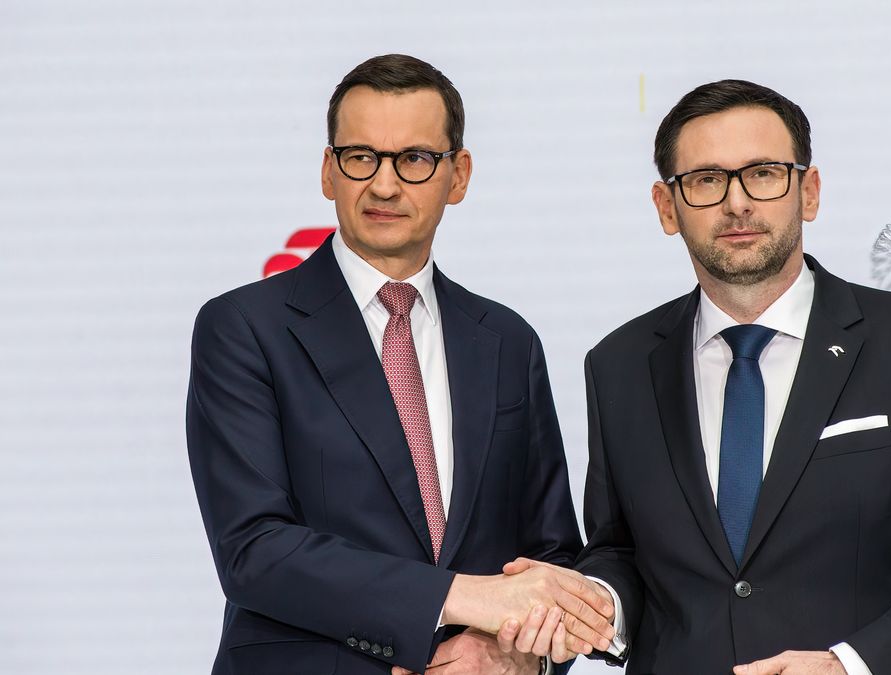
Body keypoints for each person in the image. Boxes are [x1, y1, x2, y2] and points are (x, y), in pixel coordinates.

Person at [506, 79, 891, 674]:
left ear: (808, 192)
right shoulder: (619, 364)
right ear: (666, 207)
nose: (737, 202)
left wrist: (852, 665)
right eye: (706, 180)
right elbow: (622, 549)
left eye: (763, 173)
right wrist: (601, 603)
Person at [186, 54, 613, 675]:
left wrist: (518, 658)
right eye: (361, 157)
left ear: (458, 176)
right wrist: (458, 598)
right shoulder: (244, 327)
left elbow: (549, 557)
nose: (384, 186)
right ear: (328, 171)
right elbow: (255, 549)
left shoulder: (507, 340)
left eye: (414, 159)